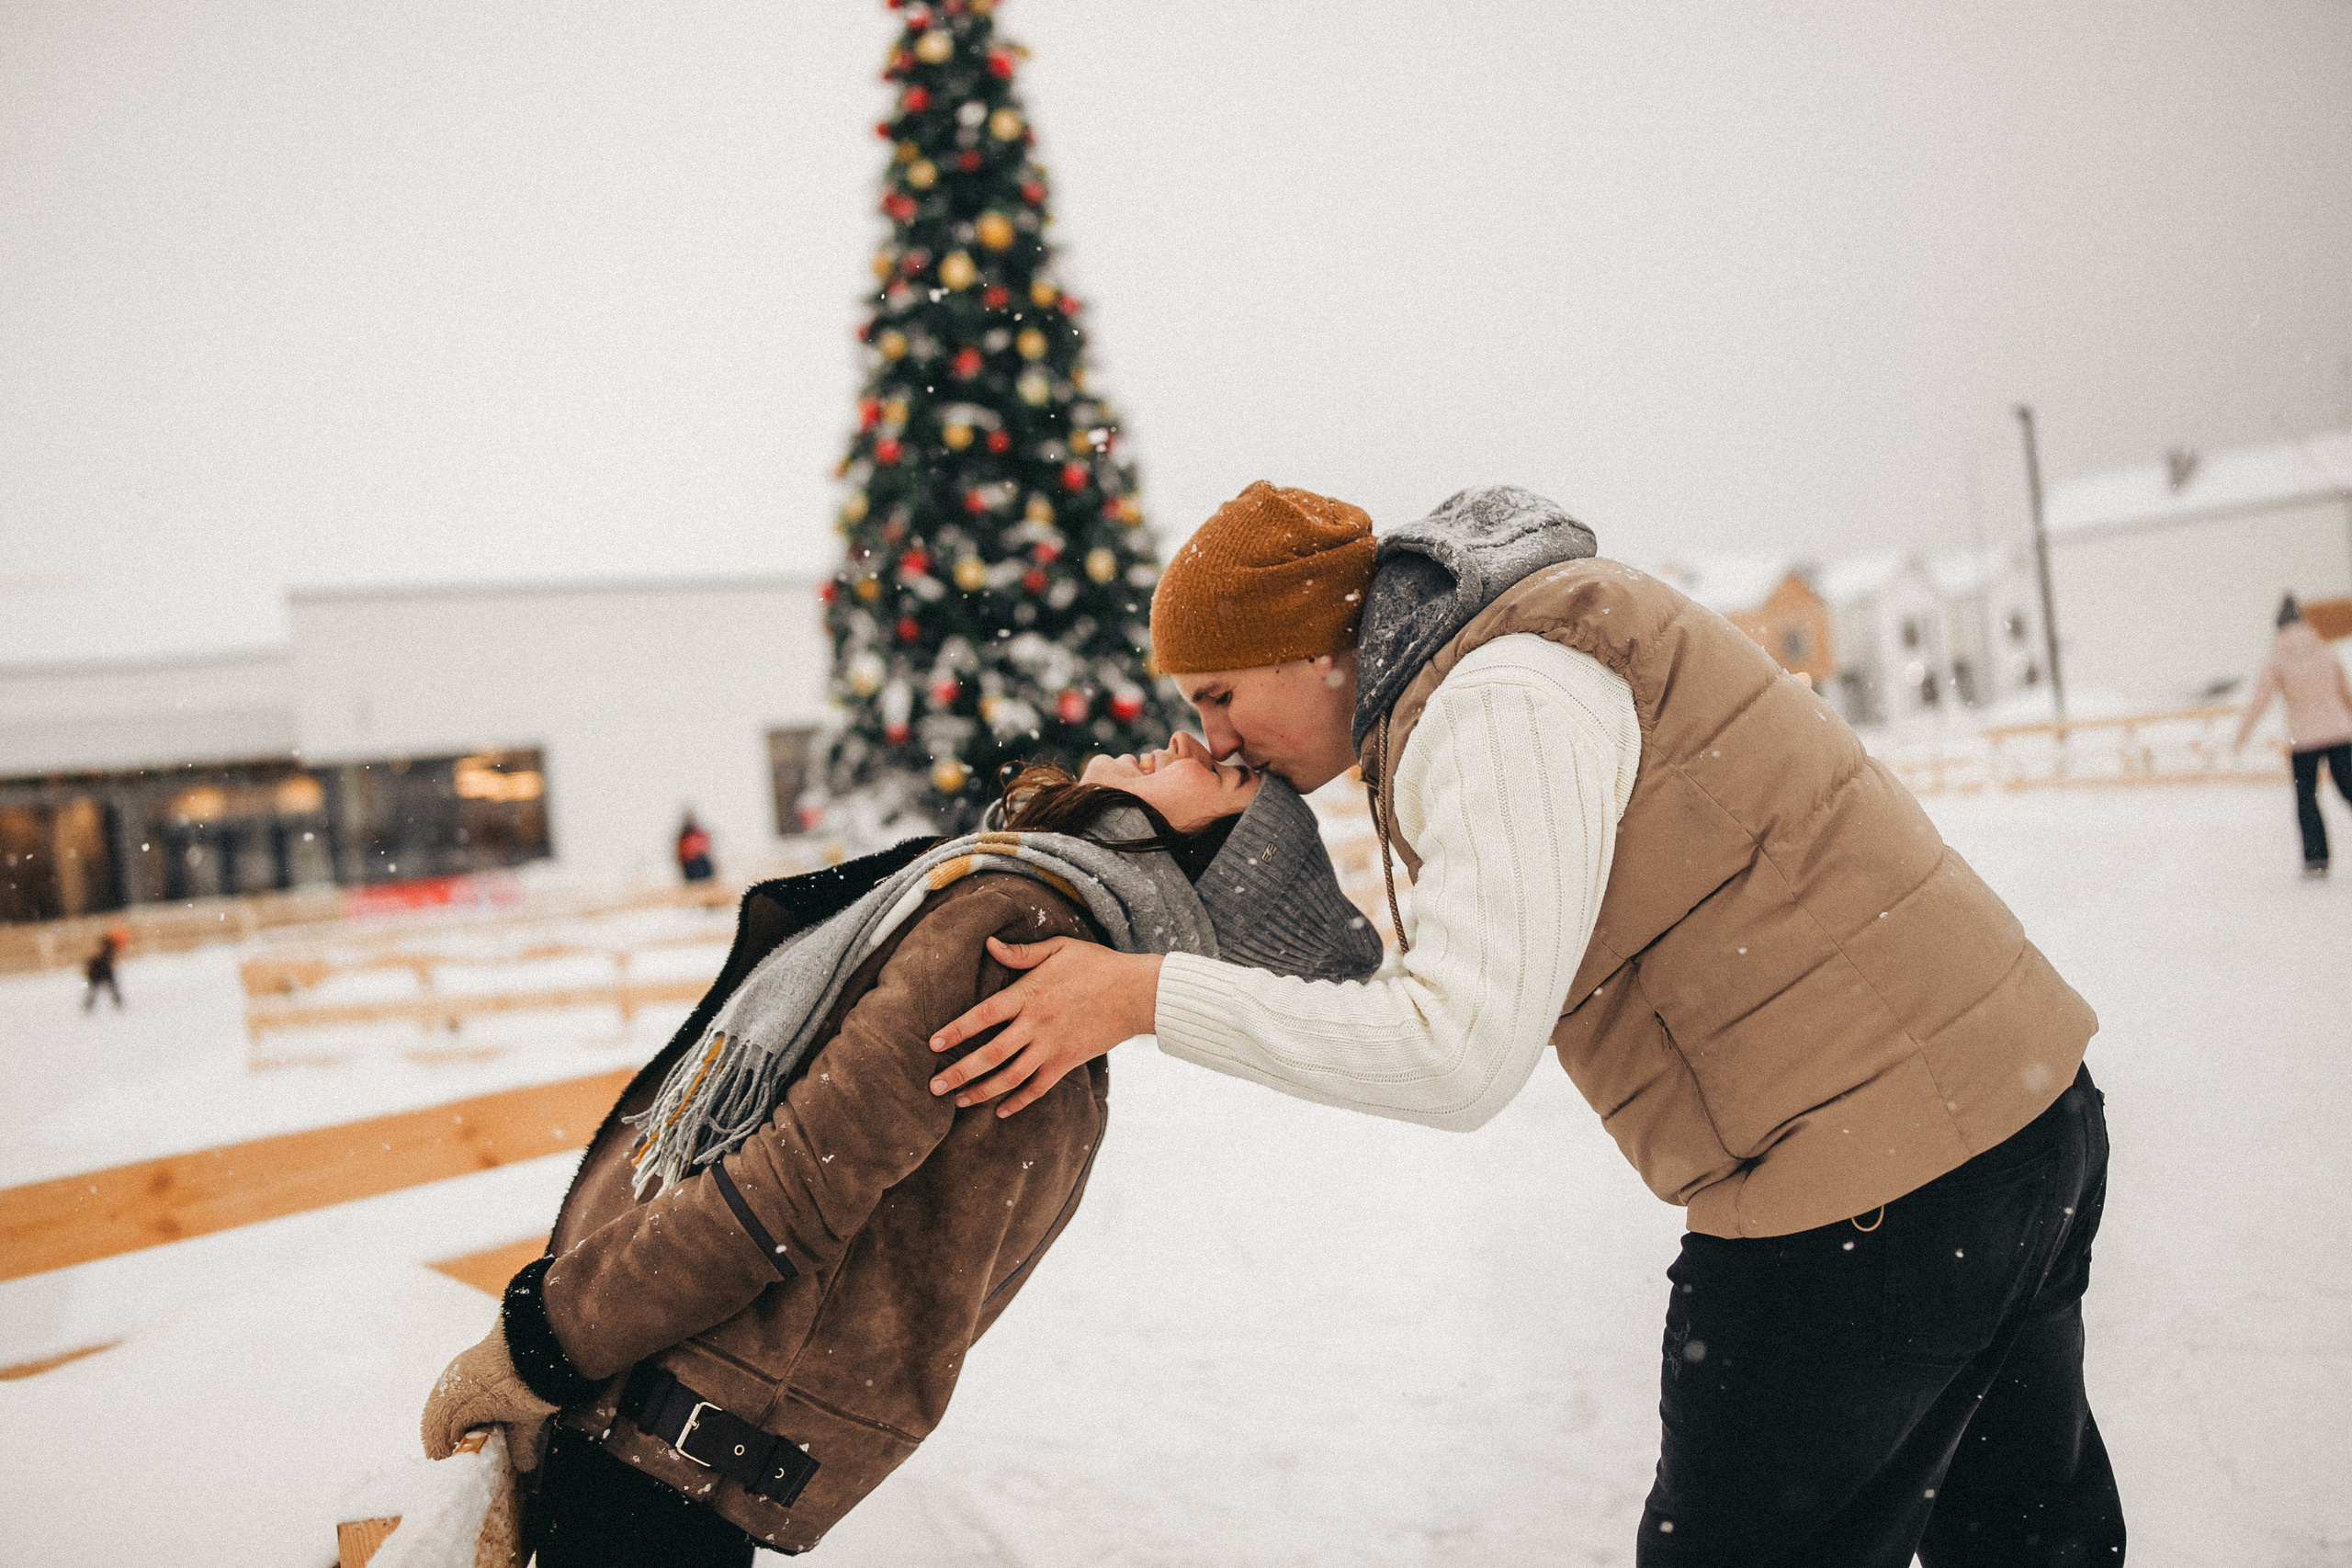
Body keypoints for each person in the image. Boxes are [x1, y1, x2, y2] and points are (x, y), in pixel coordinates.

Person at [926, 481, 2122, 1566]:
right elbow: (1403, 974)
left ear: (1310, 644)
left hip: (1869, 1197)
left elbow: (1455, 1051)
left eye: (1220, 693)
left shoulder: (1496, 699)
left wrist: (1139, 996)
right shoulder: (1509, 657)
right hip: (2016, 1121)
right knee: (2026, 1540)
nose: (1216, 732)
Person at [420, 748, 1376, 1565]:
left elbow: (783, 1193)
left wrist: (545, 1343)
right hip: (693, 1439)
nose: (1184, 738)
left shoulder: (1019, 932)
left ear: (1195, 861)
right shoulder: (1059, 976)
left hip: (663, 1428)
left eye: (1228, 772)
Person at [2232, 592, 2352, 877]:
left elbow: (2259, 702)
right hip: (2338, 734)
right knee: (2350, 789)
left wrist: (2240, 736)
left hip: (2304, 741)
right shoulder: (2325, 652)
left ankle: (2316, 860)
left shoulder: (2277, 659)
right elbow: (2346, 694)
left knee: (2306, 798)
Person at [81, 927, 124, 1011]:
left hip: (100, 970)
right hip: (99, 970)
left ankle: (118, 1005)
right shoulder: (107, 947)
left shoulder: (107, 947)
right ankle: (118, 1004)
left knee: (99, 989)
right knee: (104, 988)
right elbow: (97, 959)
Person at [674, 812, 715, 884]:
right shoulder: (683, 837)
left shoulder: (698, 834)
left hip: (699, 862)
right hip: (690, 864)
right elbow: (680, 854)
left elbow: (706, 847)